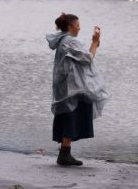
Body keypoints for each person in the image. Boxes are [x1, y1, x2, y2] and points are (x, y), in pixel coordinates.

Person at [46, 13, 109, 166]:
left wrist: (94, 44)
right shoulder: (70, 41)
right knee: (71, 115)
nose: (79, 28)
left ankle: (65, 152)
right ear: (70, 26)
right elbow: (88, 58)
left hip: (67, 85)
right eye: (77, 26)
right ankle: (65, 154)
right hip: (72, 86)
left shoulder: (63, 40)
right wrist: (94, 42)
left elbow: (82, 57)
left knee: (68, 114)